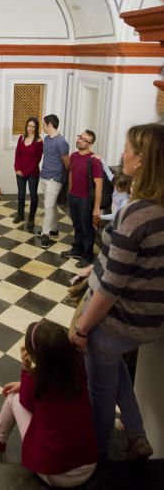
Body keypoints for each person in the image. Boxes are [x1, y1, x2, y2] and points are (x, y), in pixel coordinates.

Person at [70, 123, 164, 462]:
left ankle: (96, 458)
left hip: (117, 322)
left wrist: (82, 329)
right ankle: (138, 433)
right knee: (118, 366)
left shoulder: (135, 214)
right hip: (150, 320)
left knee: (100, 396)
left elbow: (111, 288)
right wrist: (91, 267)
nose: (121, 154)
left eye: (127, 149)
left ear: (141, 160)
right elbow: (135, 264)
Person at [0, 319, 97, 487]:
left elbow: (25, 400)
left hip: (56, 475)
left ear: (36, 356)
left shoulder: (37, 382)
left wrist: (27, 369)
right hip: (89, 465)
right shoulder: (79, 368)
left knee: (13, 397)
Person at [61, 130, 103, 268]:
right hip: (73, 196)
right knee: (77, 225)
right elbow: (72, 174)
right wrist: (69, 192)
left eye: (84, 139)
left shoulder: (94, 161)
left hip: (85, 199)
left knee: (86, 228)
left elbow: (99, 185)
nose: (80, 140)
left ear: (90, 144)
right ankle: (77, 249)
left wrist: (96, 207)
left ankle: (87, 255)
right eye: (80, 137)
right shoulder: (73, 156)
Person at [38, 115, 70, 248]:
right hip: (44, 176)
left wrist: (63, 178)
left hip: (55, 179)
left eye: (44, 125)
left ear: (50, 124)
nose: (43, 127)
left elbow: (67, 163)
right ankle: (54, 230)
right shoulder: (46, 139)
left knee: (48, 206)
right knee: (52, 205)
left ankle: (45, 234)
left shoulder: (61, 142)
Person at [13, 116, 43, 230]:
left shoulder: (39, 140)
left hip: (32, 172)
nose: (30, 128)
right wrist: (17, 168)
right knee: (21, 194)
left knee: (33, 195)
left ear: (36, 128)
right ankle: (20, 215)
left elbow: (37, 159)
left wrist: (27, 172)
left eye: (33, 126)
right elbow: (17, 154)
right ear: (26, 126)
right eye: (29, 126)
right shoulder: (21, 138)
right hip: (20, 172)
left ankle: (31, 218)